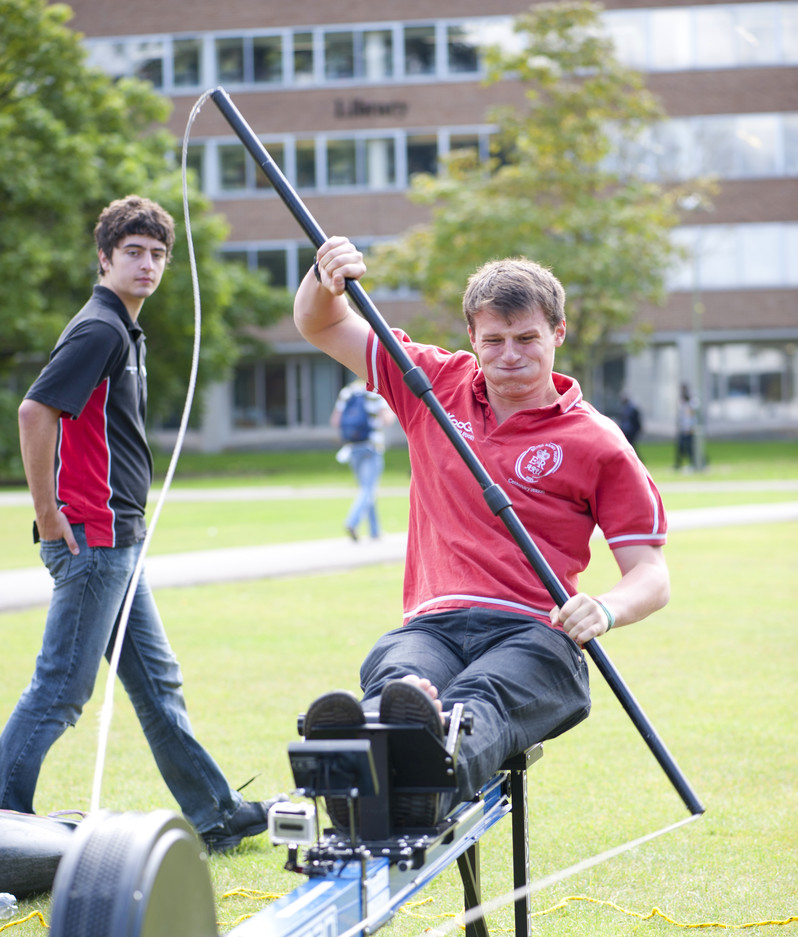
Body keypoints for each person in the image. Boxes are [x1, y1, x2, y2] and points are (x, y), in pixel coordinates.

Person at [294, 237, 671, 816]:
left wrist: (606, 608)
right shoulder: (431, 384)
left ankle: (413, 779)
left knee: (478, 699)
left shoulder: (598, 443)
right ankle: (373, 766)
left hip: (536, 632)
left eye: (527, 339)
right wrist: (325, 278)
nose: (509, 355)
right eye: (493, 340)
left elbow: (650, 573)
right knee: (399, 673)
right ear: (472, 337)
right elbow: (321, 325)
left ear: (558, 334)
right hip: (435, 625)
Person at [0, 196, 272, 852]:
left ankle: (215, 813)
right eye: (132, 252)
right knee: (62, 689)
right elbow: (35, 412)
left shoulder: (124, 330)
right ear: (104, 258)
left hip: (120, 540)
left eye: (156, 253)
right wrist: (46, 511)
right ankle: (5, 824)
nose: (146, 264)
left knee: (157, 683)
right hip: (92, 540)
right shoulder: (99, 328)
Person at [331, 378, 395, 541]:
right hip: (372, 447)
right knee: (368, 489)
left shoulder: (347, 392)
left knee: (366, 488)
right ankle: (352, 521)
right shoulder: (375, 391)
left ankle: (374, 531)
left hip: (353, 447)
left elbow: (335, 421)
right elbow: (386, 420)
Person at [674, 383, 697, 469]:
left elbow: (692, 414)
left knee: (690, 447)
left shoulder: (691, 401)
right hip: (684, 428)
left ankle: (697, 462)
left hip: (689, 429)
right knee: (681, 447)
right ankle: (678, 464)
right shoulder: (682, 402)